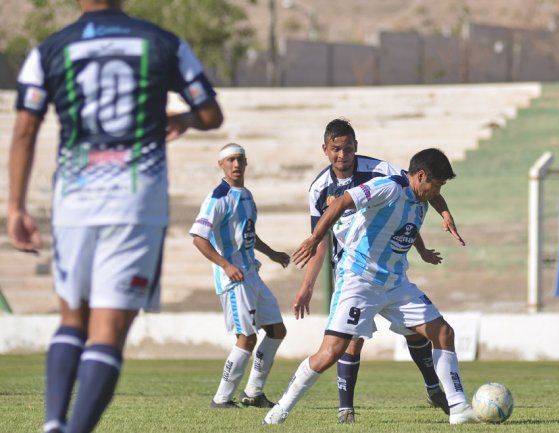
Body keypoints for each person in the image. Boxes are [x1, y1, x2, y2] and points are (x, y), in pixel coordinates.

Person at [6, 1, 223, 431]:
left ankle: (53, 423)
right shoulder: (163, 42)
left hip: (75, 199)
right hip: (135, 200)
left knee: (73, 319)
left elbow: (24, 130)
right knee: (108, 328)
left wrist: (14, 207)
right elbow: (211, 114)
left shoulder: (50, 49)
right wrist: (183, 119)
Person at [265, 148, 478, 425]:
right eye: (436, 185)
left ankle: (459, 409)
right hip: (359, 280)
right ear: (421, 176)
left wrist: (427, 244)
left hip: (395, 283)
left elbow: (404, 228)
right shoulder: (387, 187)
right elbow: (341, 201)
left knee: (443, 332)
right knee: (331, 353)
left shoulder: (421, 199)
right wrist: (315, 238)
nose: (438, 192)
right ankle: (280, 410)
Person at [190, 143, 291, 409]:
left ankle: (254, 393)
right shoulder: (217, 197)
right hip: (233, 278)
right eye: (230, 160)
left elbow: (247, 233)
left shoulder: (245, 194)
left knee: (277, 330)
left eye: (240, 160)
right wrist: (225, 265)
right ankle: (221, 398)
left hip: (251, 273)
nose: (236, 165)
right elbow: (198, 238)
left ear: (246, 163)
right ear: (221, 165)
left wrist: (272, 253)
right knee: (246, 338)